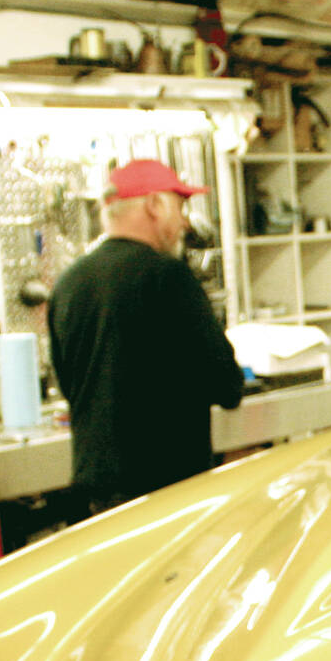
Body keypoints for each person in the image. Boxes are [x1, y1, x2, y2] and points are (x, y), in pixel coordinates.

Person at [48, 158, 244, 512]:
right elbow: (226, 385)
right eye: (180, 207)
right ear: (154, 206)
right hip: (167, 492)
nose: (185, 221)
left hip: (95, 495)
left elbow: (68, 385)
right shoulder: (169, 277)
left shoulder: (68, 283)